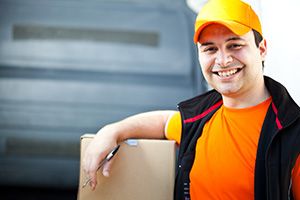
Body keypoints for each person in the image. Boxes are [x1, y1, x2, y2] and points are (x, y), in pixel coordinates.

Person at [83, 0, 300, 199]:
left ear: (261, 49)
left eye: (235, 45)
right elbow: (163, 122)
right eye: (210, 49)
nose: (223, 60)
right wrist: (112, 131)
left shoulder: (292, 132)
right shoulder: (201, 118)